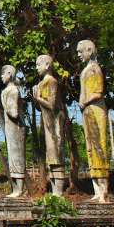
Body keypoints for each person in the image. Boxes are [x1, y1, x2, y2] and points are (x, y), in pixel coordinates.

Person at [78, 40, 110, 202]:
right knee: (90, 148)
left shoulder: (95, 69)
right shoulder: (86, 70)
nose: (78, 55)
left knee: (99, 149)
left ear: (89, 51)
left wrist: (85, 101)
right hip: (87, 112)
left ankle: (103, 191)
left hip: (96, 111)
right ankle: (96, 191)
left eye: (80, 51)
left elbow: (98, 92)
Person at [33, 54, 67, 197]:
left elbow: (51, 105)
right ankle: (54, 190)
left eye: (38, 64)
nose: (36, 68)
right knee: (51, 157)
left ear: (47, 65)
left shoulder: (52, 81)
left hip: (55, 122)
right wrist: (36, 98)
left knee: (56, 156)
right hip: (48, 123)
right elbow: (38, 107)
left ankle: (58, 192)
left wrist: (38, 98)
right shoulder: (41, 84)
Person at [0, 65, 26, 197]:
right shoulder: (6, 91)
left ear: (9, 74)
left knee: (17, 156)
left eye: (3, 74)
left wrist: (3, 104)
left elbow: (14, 113)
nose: (1, 77)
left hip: (16, 127)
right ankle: (15, 189)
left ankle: (19, 189)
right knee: (12, 156)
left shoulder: (13, 91)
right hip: (10, 128)